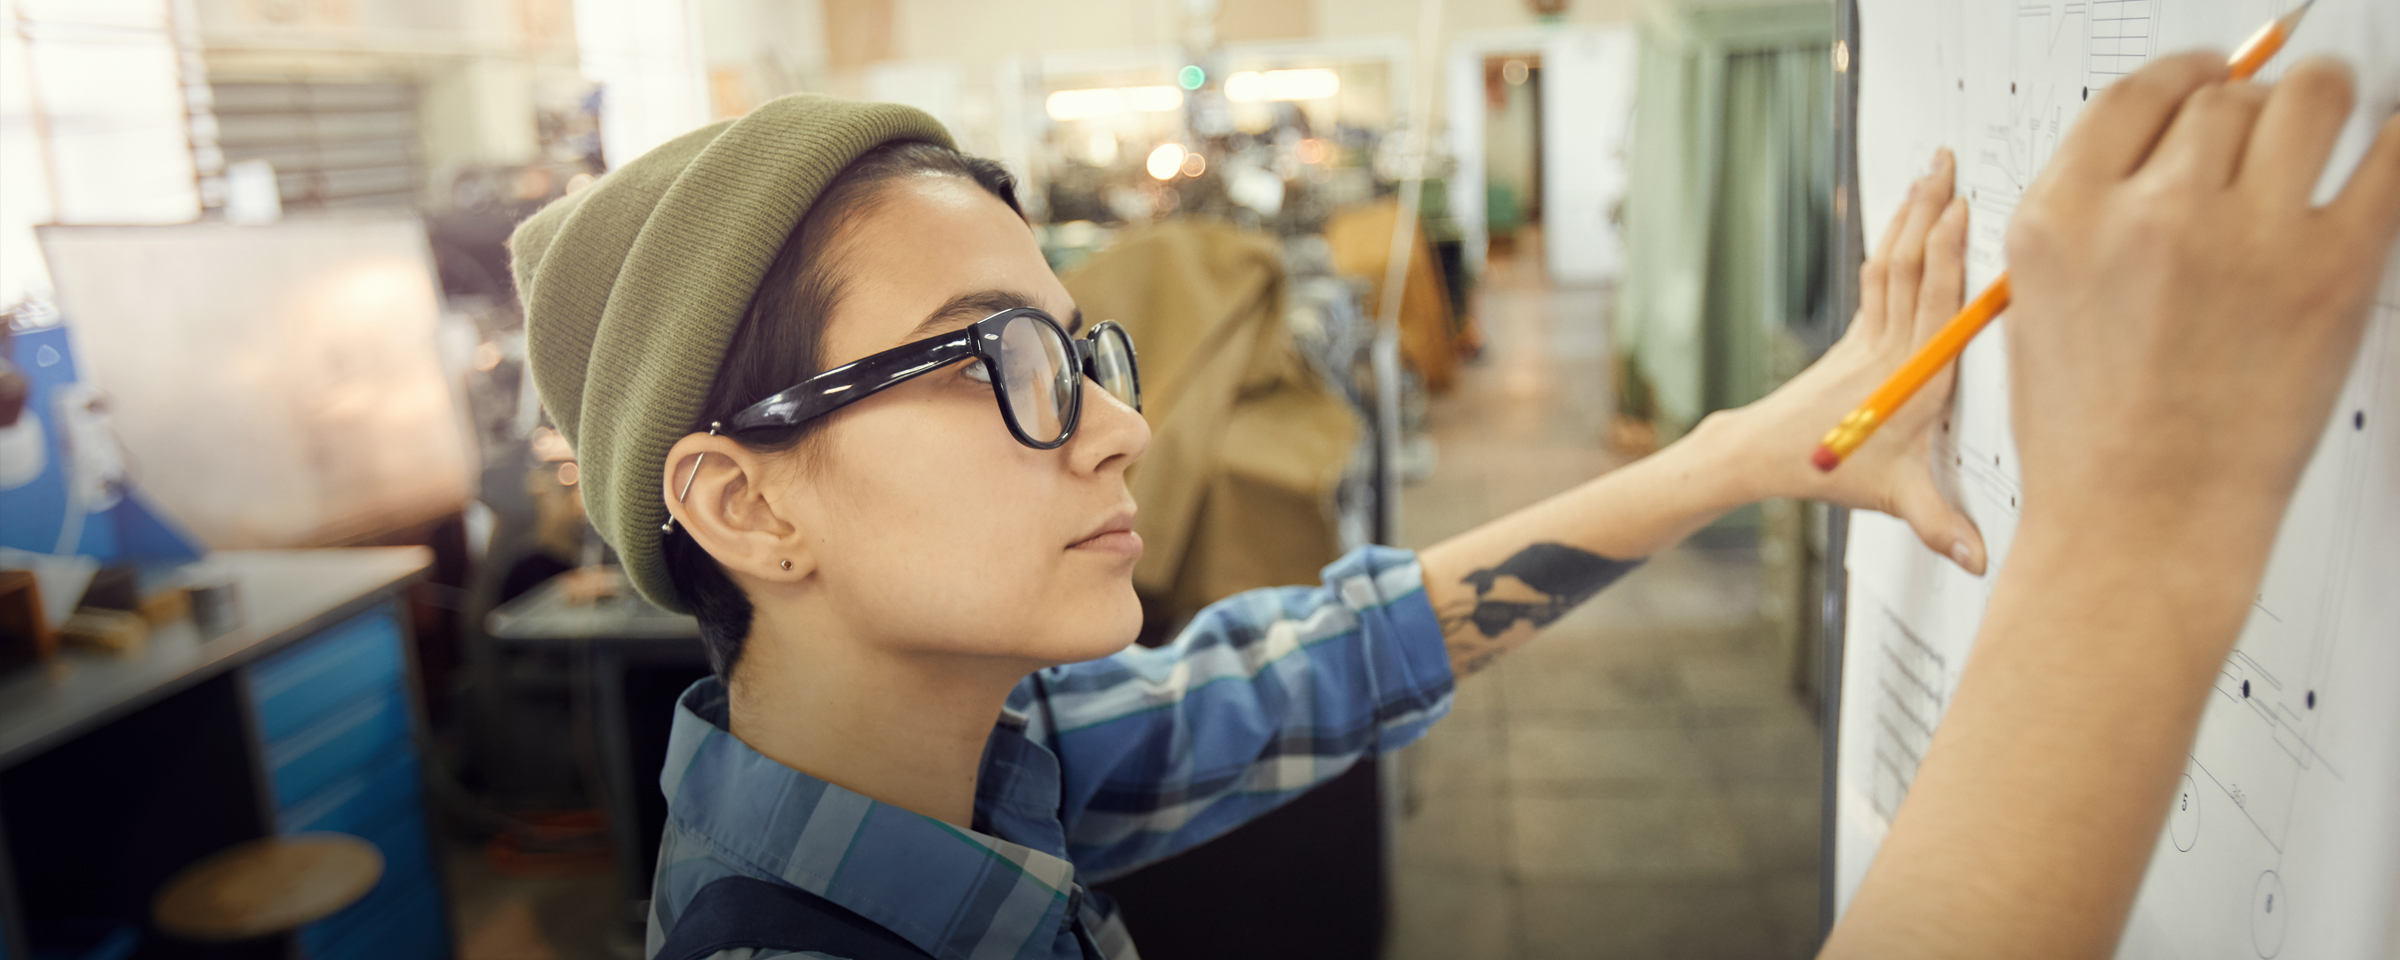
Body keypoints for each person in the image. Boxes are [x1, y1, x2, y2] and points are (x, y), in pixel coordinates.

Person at [508, 48, 2399, 960]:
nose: (1115, 434)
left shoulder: (974, 757)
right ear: (744, 509)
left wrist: (1752, 447)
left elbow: (1336, 654)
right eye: (997, 360)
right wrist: (2138, 541)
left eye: (1092, 355)